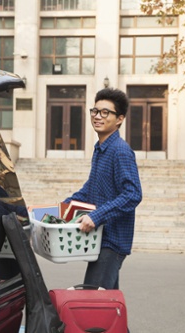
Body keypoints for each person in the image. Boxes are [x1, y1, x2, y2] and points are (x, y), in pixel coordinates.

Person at [63, 88, 142, 290]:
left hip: (112, 241)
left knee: (92, 302)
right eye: (95, 111)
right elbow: (91, 188)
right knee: (105, 306)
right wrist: (63, 207)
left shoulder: (120, 151)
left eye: (105, 112)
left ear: (119, 119)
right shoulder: (100, 148)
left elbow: (133, 194)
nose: (98, 116)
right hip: (100, 239)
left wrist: (96, 216)